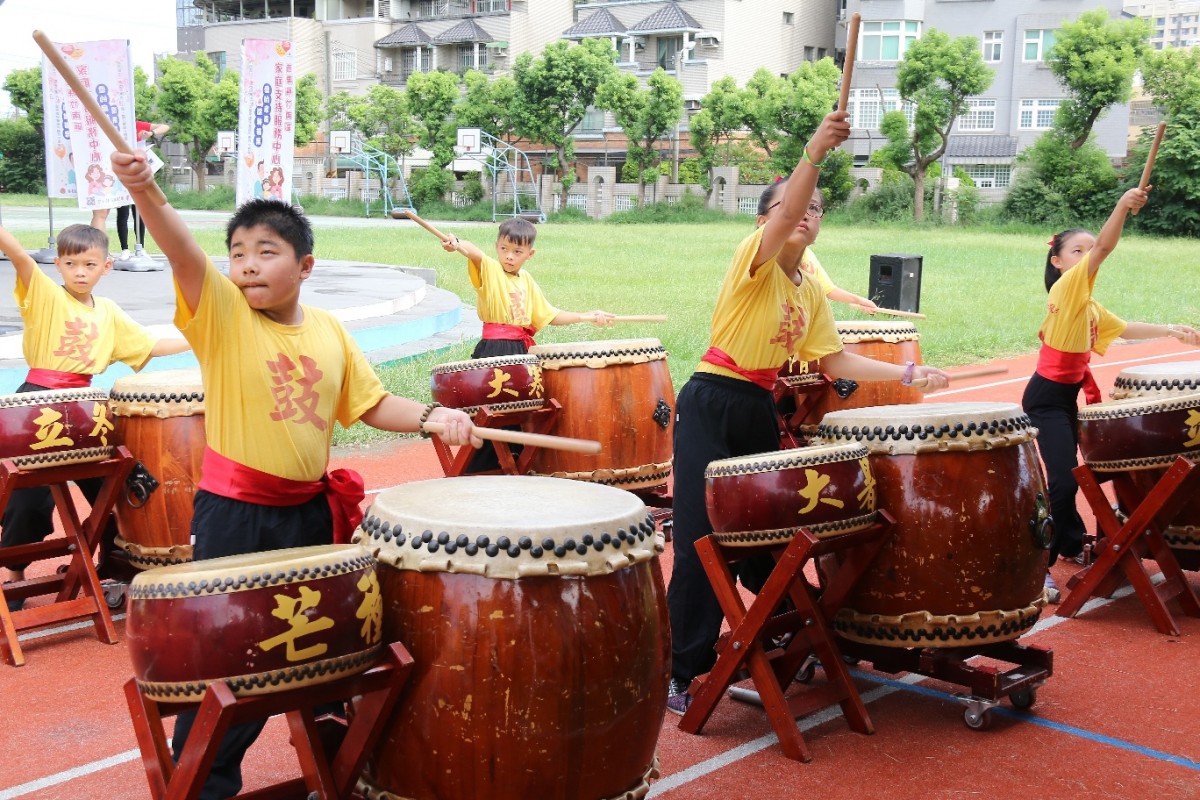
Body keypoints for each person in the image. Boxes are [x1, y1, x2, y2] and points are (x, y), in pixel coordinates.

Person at [110, 149, 482, 799]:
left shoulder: (332, 332)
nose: (248, 263)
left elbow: (368, 405)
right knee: (229, 666)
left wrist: (432, 415)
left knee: (324, 653)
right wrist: (147, 195)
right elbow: (182, 254)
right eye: (239, 251)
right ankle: (200, 784)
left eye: (267, 250)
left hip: (310, 515)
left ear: (305, 266)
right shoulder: (222, 315)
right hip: (235, 516)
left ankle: (333, 767)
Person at [665, 111, 950, 716]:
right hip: (713, 397)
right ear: (766, 219)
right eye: (799, 207)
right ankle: (681, 669)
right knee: (701, 541)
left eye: (820, 209)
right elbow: (787, 211)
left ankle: (792, 635)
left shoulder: (809, 290)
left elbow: (835, 358)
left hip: (756, 410)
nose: (808, 214)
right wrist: (815, 151)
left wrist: (906, 372)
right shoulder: (756, 259)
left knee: (769, 536)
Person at [1022, 186, 1200, 603]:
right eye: (1076, 251)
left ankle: (1069, 542)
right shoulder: (1066, 289)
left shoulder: (1087, 303)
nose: (1086, 255)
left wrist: (1171, 330)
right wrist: (1122, 205)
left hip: (1064, 398)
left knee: (1082, 475)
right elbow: (1105, 246)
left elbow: (1124, 327)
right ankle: (1039, 569)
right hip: (1047, 398)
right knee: (1064, 484)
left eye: (1086, 250)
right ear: (1058, 262)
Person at [0, 223, 190, 612]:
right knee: (28, 499)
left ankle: (105, 564)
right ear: (58, 265)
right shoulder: (45, 296)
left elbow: (151, 345)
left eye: (89, 264)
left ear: (106, 266)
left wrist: (202, 338)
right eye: (70, 264)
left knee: (116, 489)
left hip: (86, 409)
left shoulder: (109, 313)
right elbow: (20, 257)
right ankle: (14, 576)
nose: (80, 272)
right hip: (38, 405)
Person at [439, 218, 616, 472]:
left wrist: (588, 315)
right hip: (494, 351)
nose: (509, 256)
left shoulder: (527, 281)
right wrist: (457, 244)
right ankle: (480, 469)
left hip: (521, 352)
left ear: (529, 254)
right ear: (497, 246)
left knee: (520, 416)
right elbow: (475, 253)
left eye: (517, 252)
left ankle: (513, 465)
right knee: (492, 415)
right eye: (504, 249)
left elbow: (550, 314)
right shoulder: (491, 269)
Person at [95, 120, 170, 253]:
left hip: (136, 176)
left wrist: (150, 133)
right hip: (119, 176)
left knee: (139, 212)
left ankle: (140, 247)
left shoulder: (134, 124)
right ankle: (125, 249)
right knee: (123, 213)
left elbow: (165, 126)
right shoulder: (108, 127)